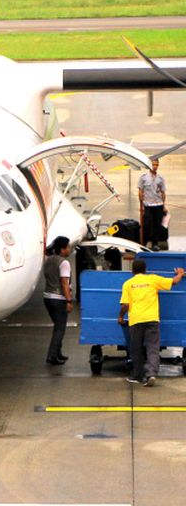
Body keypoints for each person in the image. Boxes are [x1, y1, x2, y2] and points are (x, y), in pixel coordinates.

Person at [117, 258, 185, 386]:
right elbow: (174, 282)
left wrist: (120, 316)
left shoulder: (128, 284)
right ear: (145, 270)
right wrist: (180, 274)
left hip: (136, 320)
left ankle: (137, 376)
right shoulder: (153, 279)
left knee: (136, 349)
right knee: (152, 348)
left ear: (132, 270)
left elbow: (125, 305)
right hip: (152, 319)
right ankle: (151, 374)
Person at [42, 235, 73, 365]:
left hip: (47, 297)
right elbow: (64, 283)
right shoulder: (64, 263)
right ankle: (52, 356)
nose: (70, 249)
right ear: (62, 249)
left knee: (58, 326)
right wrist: (69, 300)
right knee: (60, 328)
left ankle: (58, 353)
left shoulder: (49, 260)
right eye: (68, 247)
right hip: (58, 298)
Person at [138, 159, 167, 249]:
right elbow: (140, 191)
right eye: (153, 165)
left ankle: (155, 244)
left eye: (156, 165)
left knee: (157, 225)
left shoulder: (160, 179)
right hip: (148, 205)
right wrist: (141, 204)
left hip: (158, 204)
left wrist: (164, 206)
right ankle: (145, 243)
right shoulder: (143, 177)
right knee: (147, 224)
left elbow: (163, 192)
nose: (155, 167)